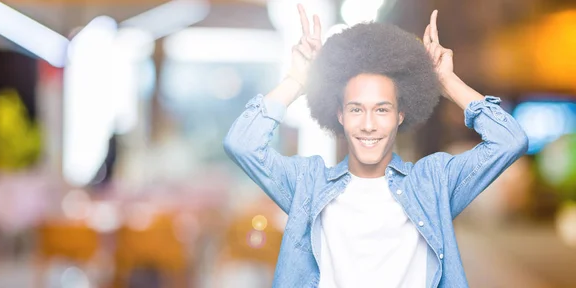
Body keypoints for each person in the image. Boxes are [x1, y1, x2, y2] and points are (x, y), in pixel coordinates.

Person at [223, 4, 528, 288]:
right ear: (340, 115)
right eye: (356, 109)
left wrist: (447, 82)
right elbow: (242, 143)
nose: (368, 124)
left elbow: (509, 140)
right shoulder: (307, 185)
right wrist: (297, 79)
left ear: (400, 115)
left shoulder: (433, 184)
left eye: (382, 109)